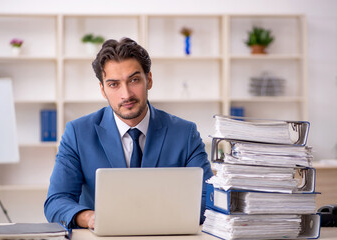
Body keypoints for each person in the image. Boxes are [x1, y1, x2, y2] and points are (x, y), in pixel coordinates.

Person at [44, 37, 213, 229]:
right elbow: (56, 202)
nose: (126, 94)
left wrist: (153, 217)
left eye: (133, 80)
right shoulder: (77, 133)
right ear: (102, 89)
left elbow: (209, 198)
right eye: (114, 84)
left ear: (148, 80)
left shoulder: (185, 133)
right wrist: (90, 218)